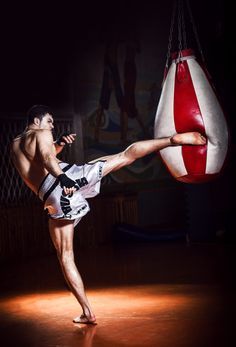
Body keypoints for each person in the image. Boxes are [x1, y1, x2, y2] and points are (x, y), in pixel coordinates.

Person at [10, 105, 206, 324]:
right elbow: (47, 158)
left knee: (65, 257)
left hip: (51, 197)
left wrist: (60, 144)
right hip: (67, 179)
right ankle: (171, 141)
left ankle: (87, 312)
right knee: (125, 156)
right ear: (36, 121)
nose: (52, 125)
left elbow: (41, 160)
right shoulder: (41, 133)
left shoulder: (16, 144)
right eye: (49, 121)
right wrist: (64, 178)